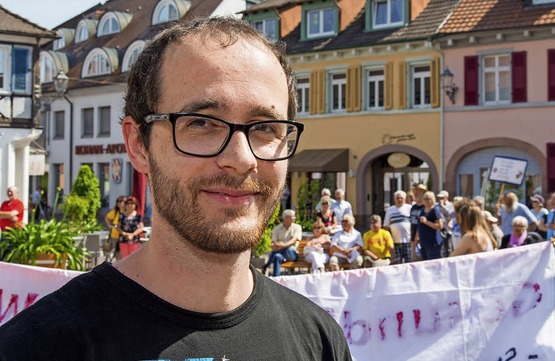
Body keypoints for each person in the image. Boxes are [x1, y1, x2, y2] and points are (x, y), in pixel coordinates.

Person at [0, 17, 351, 360]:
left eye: (266, 127)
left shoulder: (318, 340)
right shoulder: (38, 346)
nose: (242, 158)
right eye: (201, 122)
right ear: (139, 145)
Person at [262, 209, 302, 276]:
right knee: (277, 256)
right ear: (286, 218)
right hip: (282, 255)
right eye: (293, 216)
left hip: (292, 254)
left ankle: (267, 265)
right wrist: (278, 245)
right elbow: (274, 243)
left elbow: (294, 240)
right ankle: (276, 279)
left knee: (287, 249)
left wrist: (283, 245)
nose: (295, 218)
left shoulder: (297, 227)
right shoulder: (277, 228)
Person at [383, 190, 413, 263]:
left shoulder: (410, 208)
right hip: (395, 242)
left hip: (408, 241)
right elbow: (386, 227)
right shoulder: (390, 210)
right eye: (397, 198)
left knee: (408, 262)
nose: (399, 200)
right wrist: (389, 241)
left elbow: (414, 224)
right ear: (394, 199)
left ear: (405, 199)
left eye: (401, 198)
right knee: (397, 263)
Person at [417, 191, 443, 261]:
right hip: (423, 242)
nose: (426, 201)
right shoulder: (422, 210)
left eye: (428, 199)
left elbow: (440, 226)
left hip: (432, 242)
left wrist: (426, 222)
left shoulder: (435, 210)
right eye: (425, 199)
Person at [409, 184, 427, 260]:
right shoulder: (413, 207)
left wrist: (417, 238)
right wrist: (411, 238)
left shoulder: (425, 208)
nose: (416, 194)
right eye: (415, 192)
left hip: (421, 240)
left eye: (419, 192)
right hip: (413, 239)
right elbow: (412, 223)